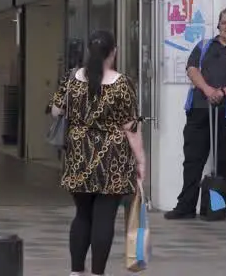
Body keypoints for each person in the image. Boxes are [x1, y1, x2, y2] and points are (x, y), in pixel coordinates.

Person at [50, 30, 146, 276]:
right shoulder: (122, 83)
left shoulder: (71, 78)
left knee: (82, 215)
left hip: (78, 154)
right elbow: (130, 127)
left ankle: (75, 271)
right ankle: (97, 273)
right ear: (113, 52)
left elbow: (56, 111)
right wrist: (141, 161)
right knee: (104, 218)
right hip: (112, 157)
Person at [163, 6, 226, 220]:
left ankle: (217, 208)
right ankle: (185, 207)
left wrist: (222, 92)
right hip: (199, 110)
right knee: (193, 160)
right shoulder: (203, 46)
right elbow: (192, 69)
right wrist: (208, 90)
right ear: (218, 25)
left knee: (224, 162)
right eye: (225, 22)